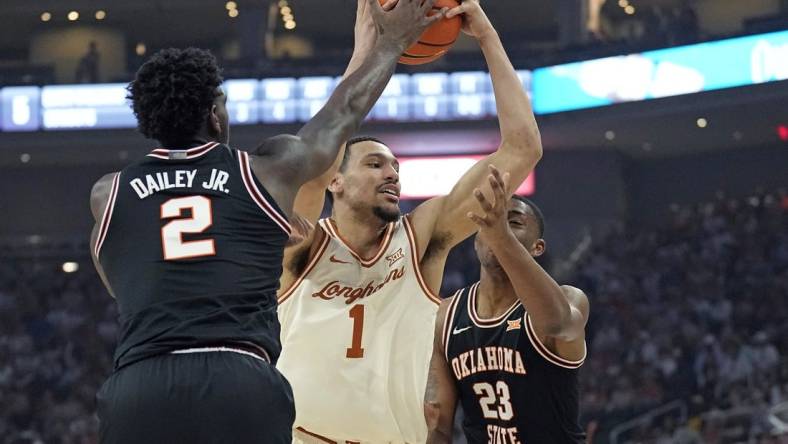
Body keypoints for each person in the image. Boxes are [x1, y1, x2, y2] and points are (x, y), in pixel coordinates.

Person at [87, 1, 440, 442]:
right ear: (215, 115)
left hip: (141, 386)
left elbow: (123, 282)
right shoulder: (263, 171)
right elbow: (343, 115)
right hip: (238, 378)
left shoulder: (108, 194)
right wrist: (391, 44)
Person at [275, 1, 543, 442]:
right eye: (376, 164)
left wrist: (488, 36)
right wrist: (366, 51)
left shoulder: (421, 238)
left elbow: (522, 149)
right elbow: (318, 151)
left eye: (396, 167)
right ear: (336, 182)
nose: (392, 174)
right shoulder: (300, 240)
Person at [424, 167, 589, 443]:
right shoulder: (446, 316)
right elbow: (437, 425)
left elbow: (557, 325)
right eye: (489, 221)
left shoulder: (570, 299)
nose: (496, 225)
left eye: (513, 222)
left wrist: (501, 236)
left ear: (537, 247)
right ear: (476, 240)